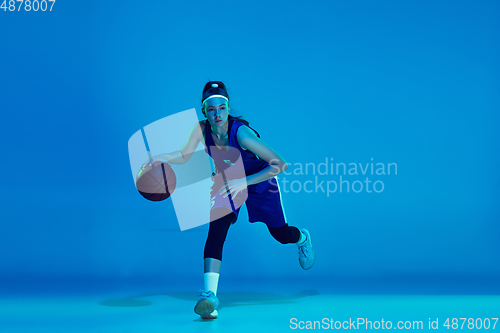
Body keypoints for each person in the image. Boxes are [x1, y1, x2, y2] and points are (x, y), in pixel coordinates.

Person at [151, 81, 315, 320]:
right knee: (216, 229)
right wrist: (160, 158)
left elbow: (280, 164)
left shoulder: (242, 133)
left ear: (227, 107)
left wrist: (244, 182)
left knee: (281, 235)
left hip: (259, 180)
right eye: (211, 109)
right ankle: (210, 296)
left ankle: (302, 237)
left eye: (221, 108)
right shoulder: (200, 129)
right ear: (204, 110)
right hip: (228, 182)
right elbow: (183, 155)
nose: (217, 114)